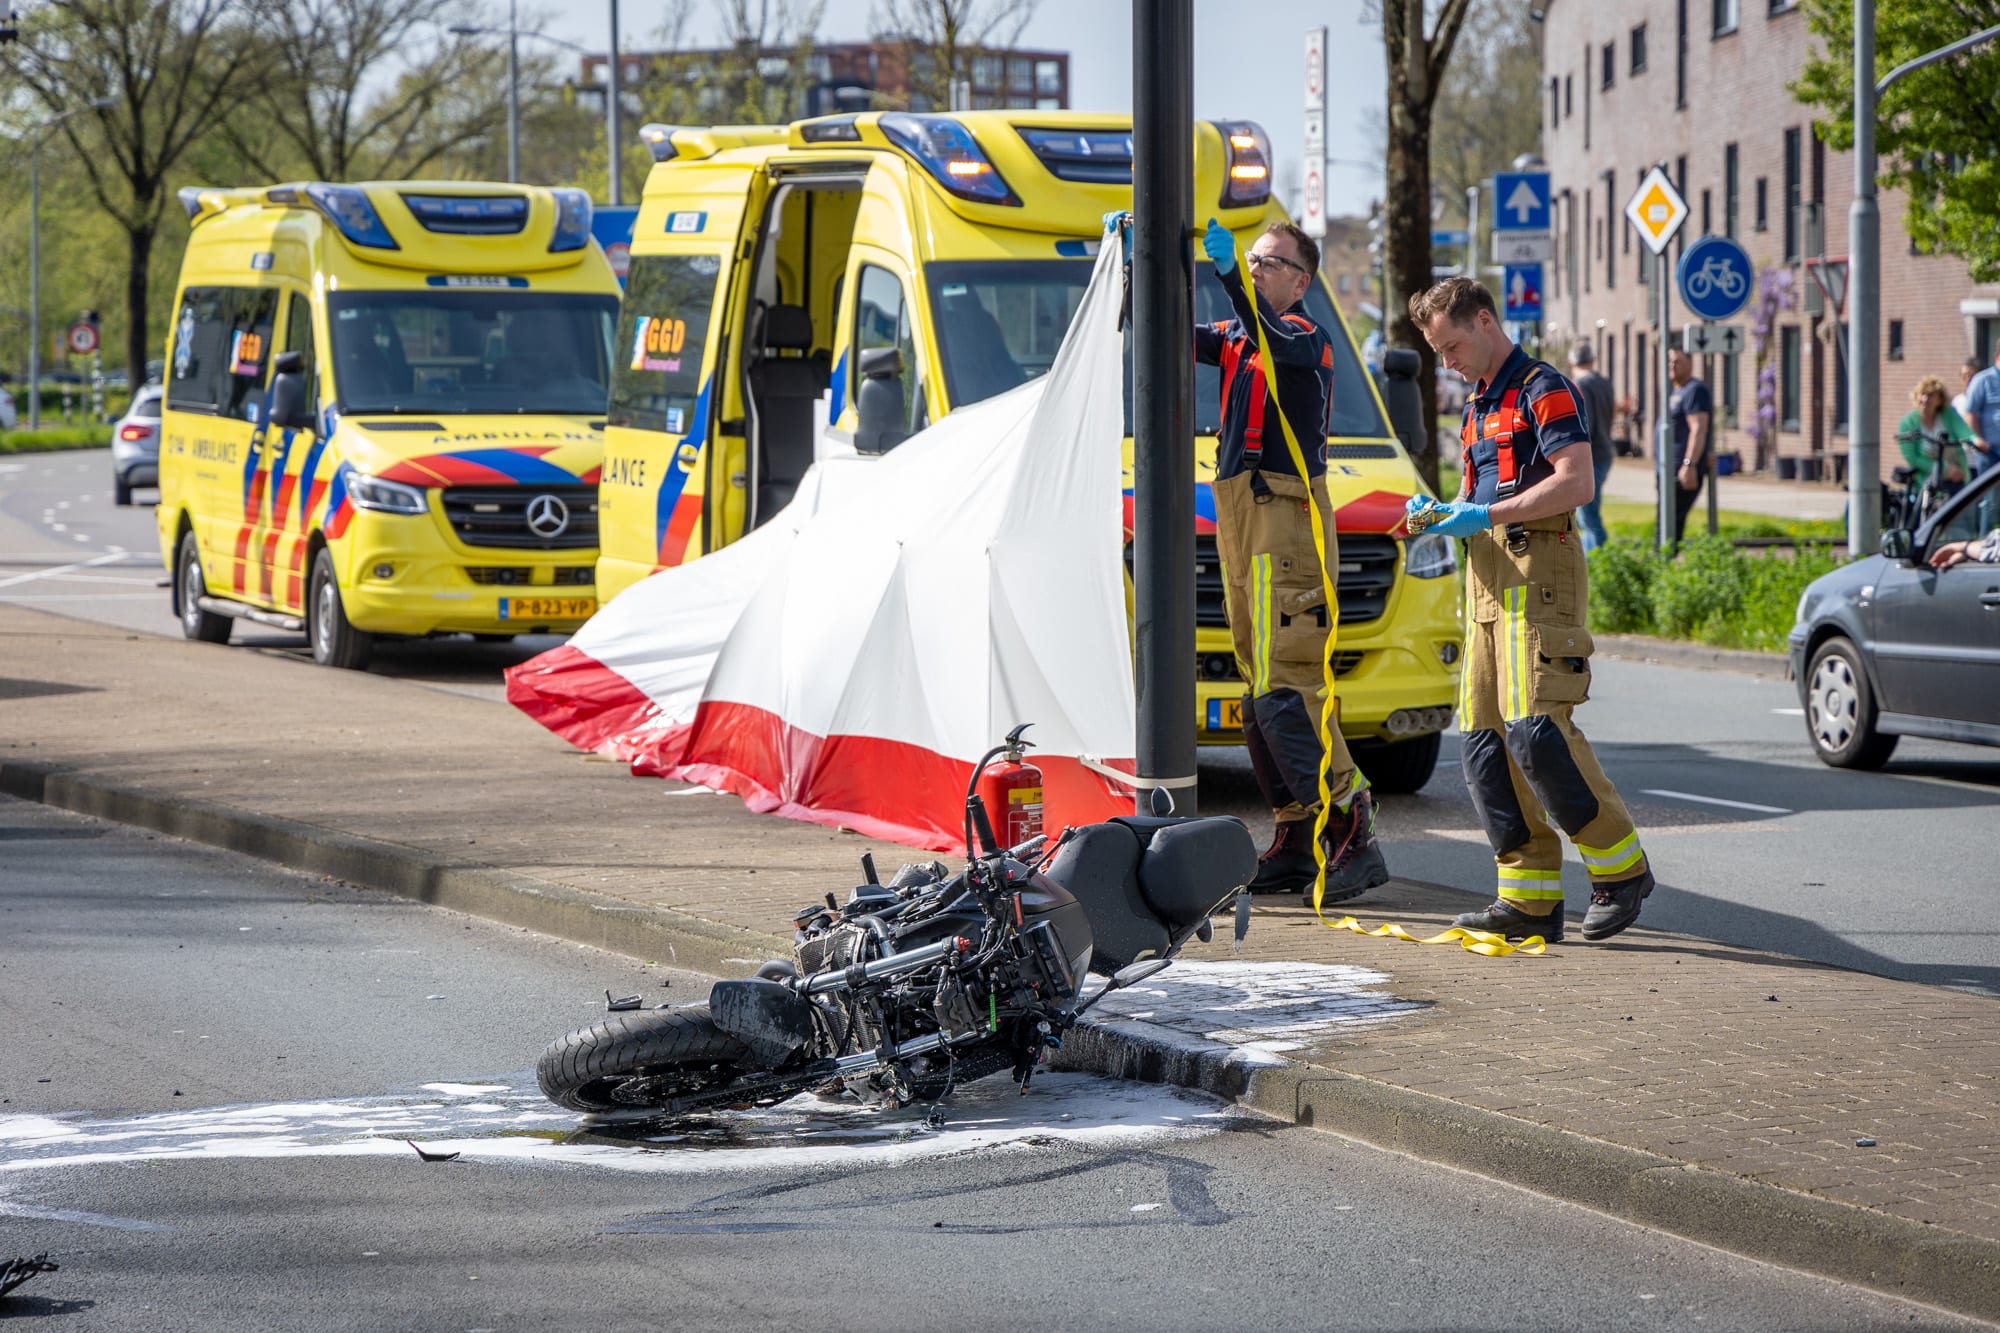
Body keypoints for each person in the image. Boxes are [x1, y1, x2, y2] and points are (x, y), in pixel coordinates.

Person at [1103, 209, 1387, 902]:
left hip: (1284, 518)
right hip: (1241, 514)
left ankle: (1351, 820)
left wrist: (1229, 273)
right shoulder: (1239, 334)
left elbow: (1266, 331)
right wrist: (1131, 260)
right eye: (1251, 261)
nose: (1255, 270)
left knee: (1286, 688)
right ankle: (1295, 833)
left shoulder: (1304, 338)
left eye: (1268, 263)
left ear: (1303, 281)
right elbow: (1161, 329)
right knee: (1258, 696)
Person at [1405, 276, 1654, 943]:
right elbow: (1474, 493)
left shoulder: (1543, 387)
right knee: (1485, 745)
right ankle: (1529, 898)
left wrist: (1485, 512)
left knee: (1538, 731)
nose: (1447, 362)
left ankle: (1620, 870)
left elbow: (1576, 481)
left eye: (1452, 345)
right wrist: (1438, 516)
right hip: (1487, 577)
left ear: (1485, 321)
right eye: (1437, 352)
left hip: (1538, 570)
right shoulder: (1478, 404)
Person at [1568, 343, 1616, 551]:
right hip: (1605, 451)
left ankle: (1600, 562)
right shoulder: (1604, 382)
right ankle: (1591, 561)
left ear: (1572, 362)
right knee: (1587, 514)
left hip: (1590, 456)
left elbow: (1585, 426)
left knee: (1588, 517)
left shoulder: (1579, 385)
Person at [1894, 374, 1971, 494]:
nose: (1925, 399)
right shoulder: (1907, 423)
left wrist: (1976, 441)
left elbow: (1964, 430)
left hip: (1957, 477)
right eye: (1922, 395)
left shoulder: (1948, 415)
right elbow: (1911, 457)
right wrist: (1945, 470)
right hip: (1927, 482)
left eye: (1930, 396)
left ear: (1939, 400)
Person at [1666, 349, 1711, 545]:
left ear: (1690, 363)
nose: (1672, 365)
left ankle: (1666, 566)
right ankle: (1663, 565)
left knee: (1672, 526)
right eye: (1670, 361)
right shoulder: (1676, 390)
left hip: (1682, 471)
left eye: (1677, 361)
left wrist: (1689, 464)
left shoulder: (1694, 390)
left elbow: (1698, 429)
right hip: (1668, 469)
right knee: (1665, 523)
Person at [1961, 346, 2000, 477]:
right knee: (1992, 496)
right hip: (1991, 453)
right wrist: (1979, 440)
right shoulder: (1983, 380)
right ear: (1997, 356)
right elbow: (1970, 412)